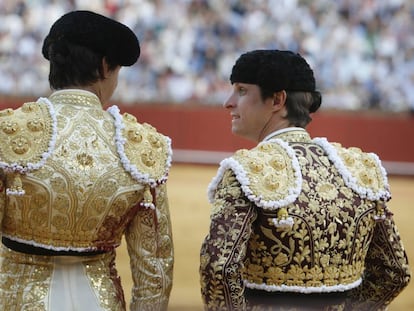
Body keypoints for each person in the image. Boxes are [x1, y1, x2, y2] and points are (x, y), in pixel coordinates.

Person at [199, 49, 410, 310]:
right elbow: (394, 271)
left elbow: (219, 268)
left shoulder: (246, 170)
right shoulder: (360, 169)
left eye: (242, 91)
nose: (228, 102)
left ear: (277, 100)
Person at [0, 10, 174, 311]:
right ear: (105, 66)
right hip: (99, 300)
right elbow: (154, 272)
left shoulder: (9, 133)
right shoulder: (141, 147)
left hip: (16, 297)